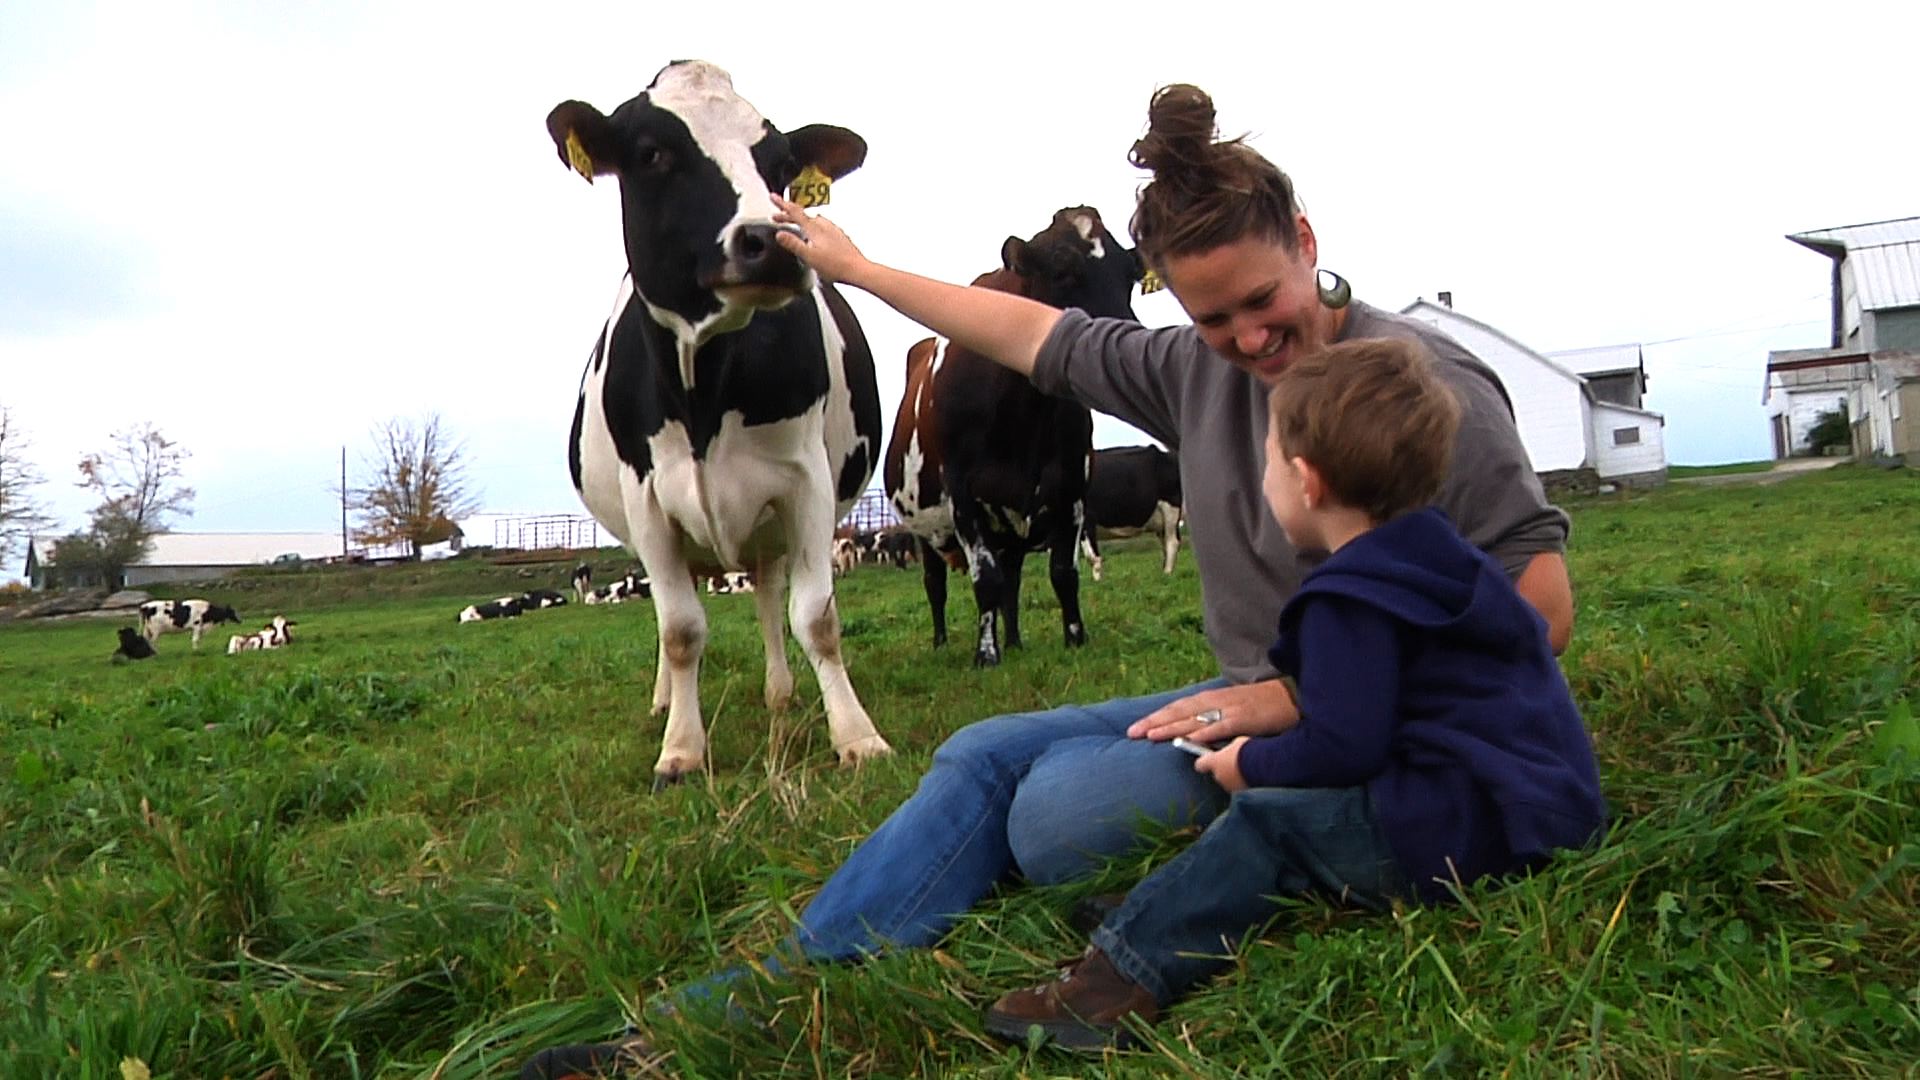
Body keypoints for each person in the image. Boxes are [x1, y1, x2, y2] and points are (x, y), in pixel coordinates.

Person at [520, 83, 1577, 1076]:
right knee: (983, 750)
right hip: (1252, 695)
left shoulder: (1423, 389)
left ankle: (1171, 888)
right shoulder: (1198, 372)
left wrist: (1304, 701)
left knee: (1054, 818)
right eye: (1212, 317)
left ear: (1306, 243)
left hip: (1388, 730)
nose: (1248, 340)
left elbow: (1543, 612)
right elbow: (1034, 335)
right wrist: (858, 270)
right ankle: (751, 1000)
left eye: (1262, 301)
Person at [981, 337, 1607, 1049]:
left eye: (1268, 461)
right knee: (1302, 818)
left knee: (1266, 824)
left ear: (1306, 481)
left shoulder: (1347, 597)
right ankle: (1183, 897)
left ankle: (1114, 983)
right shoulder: (1444, 555)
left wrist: (1248, 764)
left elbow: (1345, 746)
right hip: (1543, 806)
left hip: (1464, 834)